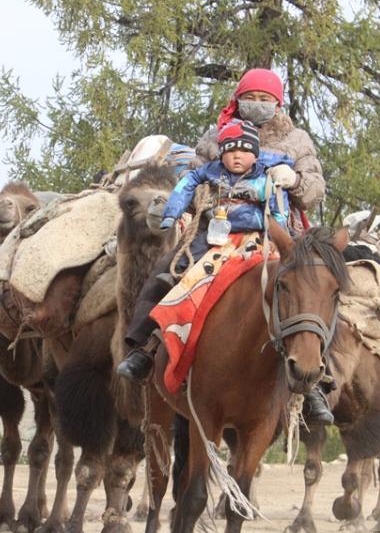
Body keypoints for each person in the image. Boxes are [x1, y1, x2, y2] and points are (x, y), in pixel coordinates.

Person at [115, 121, 296, 376]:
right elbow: (185, 186)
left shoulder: (271, 176)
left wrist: (292, 182)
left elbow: (281, 211)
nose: (236, 155)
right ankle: (145, 349)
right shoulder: (209, 171)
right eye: (230, 150)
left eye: (244, 150)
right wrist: (171, 214)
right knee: (175, 279)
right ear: (221, 152)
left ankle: (316, 378)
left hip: (259, 240)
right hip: (215, 239)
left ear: (255, 154)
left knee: (302, 287)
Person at [200, 68, 325, 235]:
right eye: (250, 98)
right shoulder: (216, 136)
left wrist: (295, 180)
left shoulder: (296, 139)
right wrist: (201, 193)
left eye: (264, 99)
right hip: (217, 225)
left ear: (277, 103)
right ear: (239, 100)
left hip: (278, 230)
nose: (257, 103)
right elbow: (192, 174)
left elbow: (315, 191)